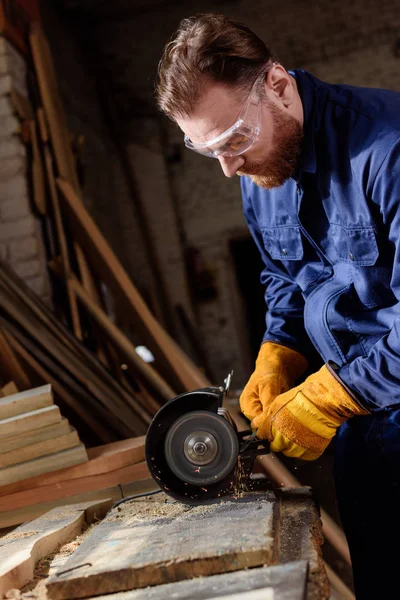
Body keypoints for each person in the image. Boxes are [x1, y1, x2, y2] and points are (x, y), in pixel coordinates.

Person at [156, 13, 400, 599]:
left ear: (279, 85)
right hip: (362, 435)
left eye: (235, 139)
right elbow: (285, 279)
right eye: (204, 149)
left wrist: (331, 394)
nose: (228, 166)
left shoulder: (388, 150)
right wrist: (278, 352)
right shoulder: (254, 169)